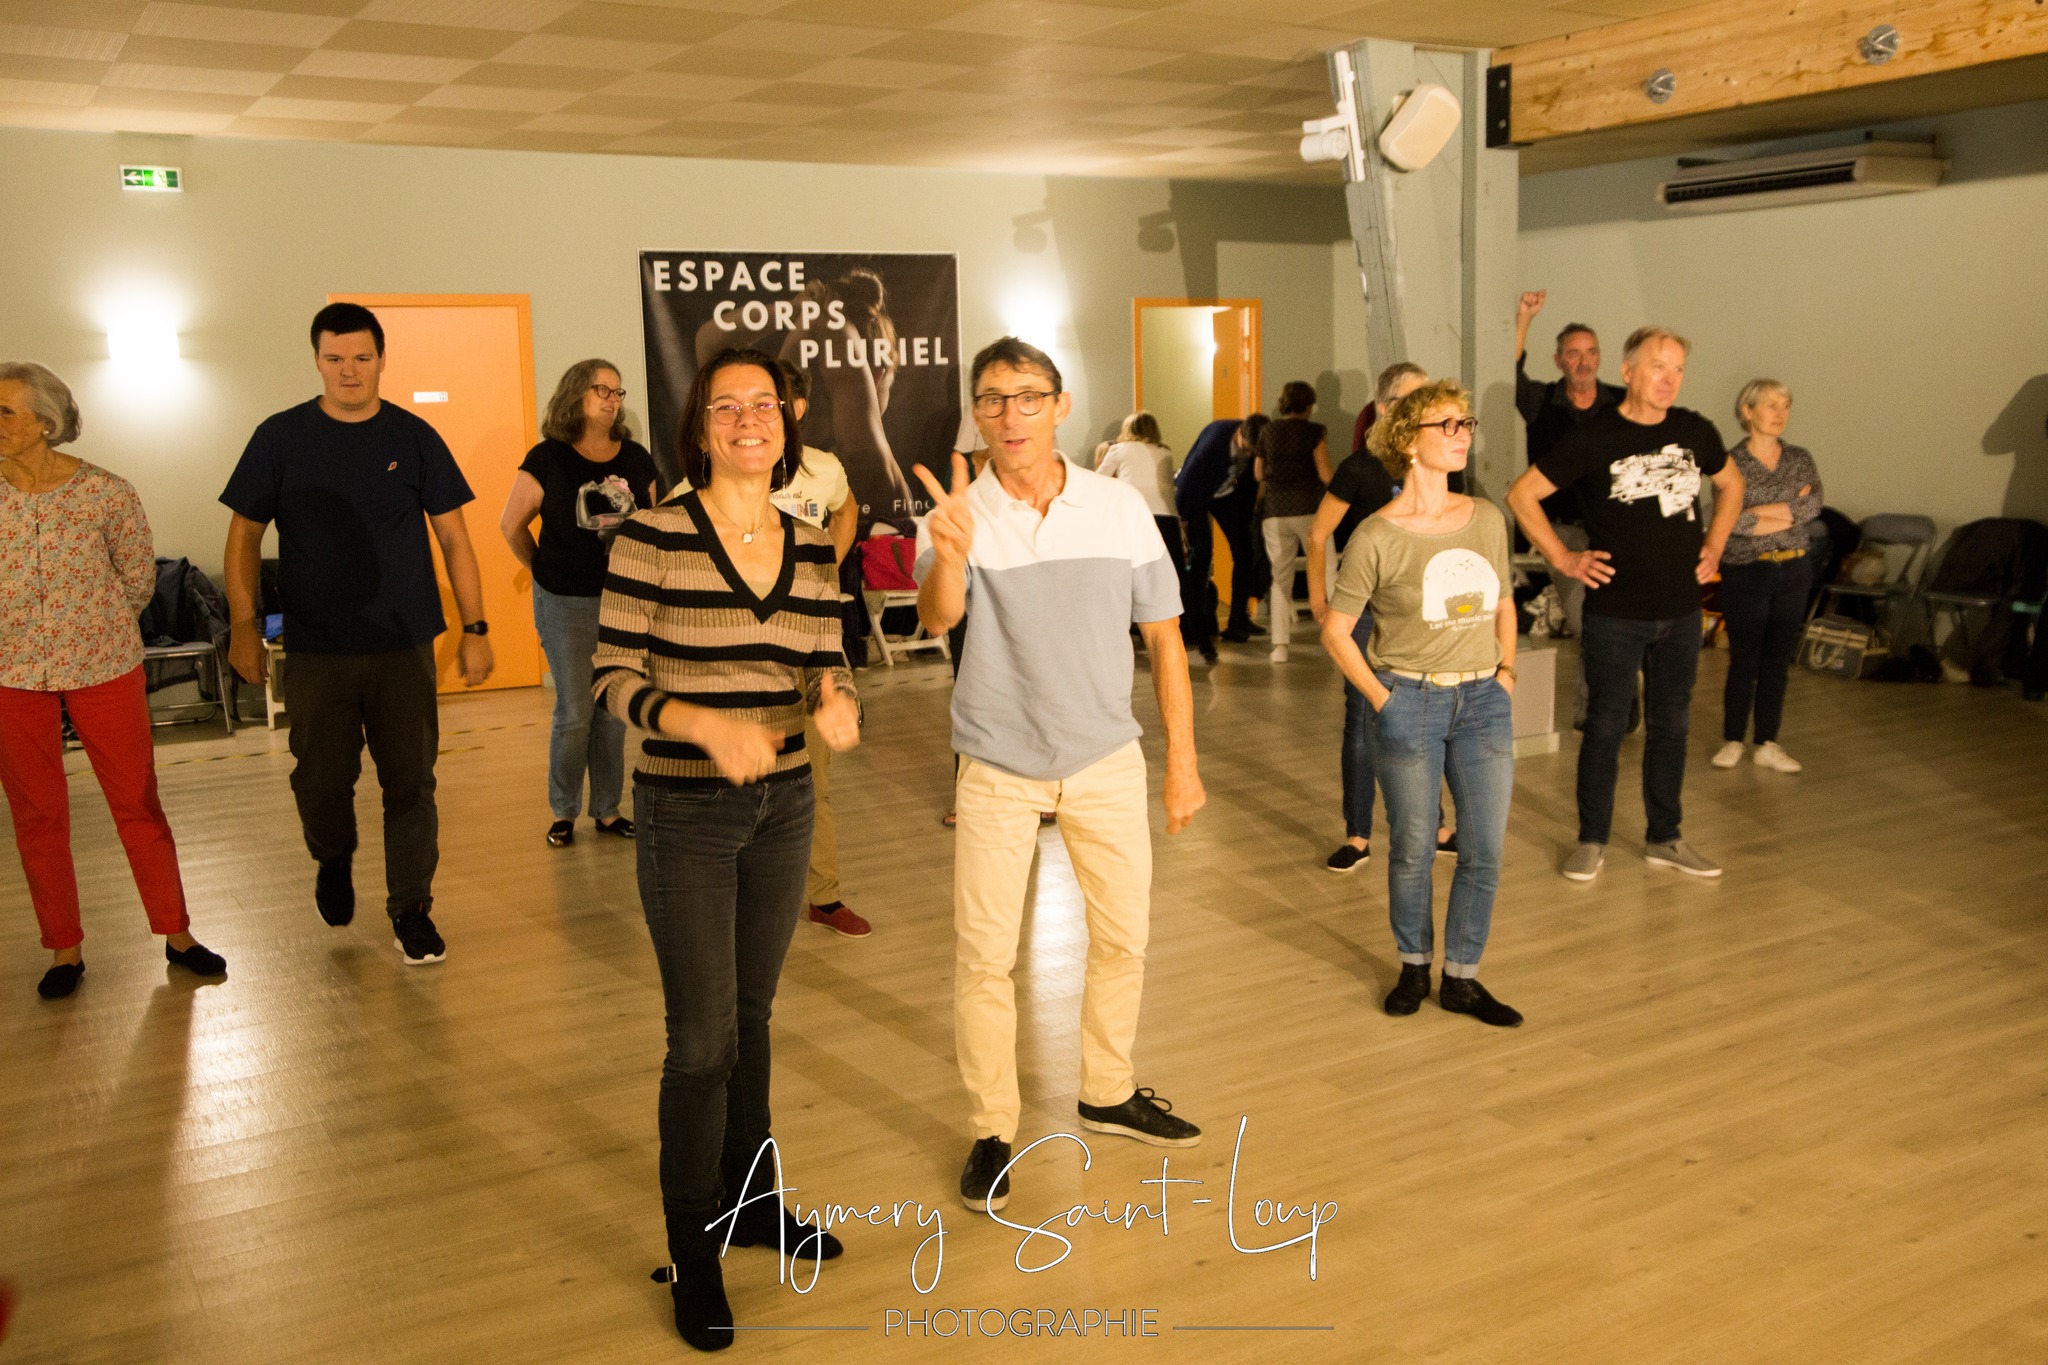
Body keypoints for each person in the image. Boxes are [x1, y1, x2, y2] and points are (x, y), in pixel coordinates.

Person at [592, 348, 861, 1351]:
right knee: (702, 1041)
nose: (749, 420)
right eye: (726, 406)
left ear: (787, 421)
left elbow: (826, 658)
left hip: (783, 805)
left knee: (751, 1016)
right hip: (685, 813)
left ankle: (753, 1203)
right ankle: (693, 1249)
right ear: (699, 427)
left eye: (764, 404)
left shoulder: (812, 544)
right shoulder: (651, 536)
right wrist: (699, 723)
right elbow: (611, 675)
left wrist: (836, 700)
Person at [914, 337, 1206, 1216]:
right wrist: (950, 554)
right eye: (993, 399)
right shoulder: (960, 512)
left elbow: (1165, 637)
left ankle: (1106, 1091)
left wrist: (1182, 762)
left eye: (1028, 397)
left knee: (1123, 938)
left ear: (1061, 404)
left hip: (1105, 758)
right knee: (984, 958)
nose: (1011, 415)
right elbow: (937, 619)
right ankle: (991, 1128)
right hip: (997, 762)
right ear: (976, 413)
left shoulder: (1117, 506)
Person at [221, 303, 495, 966]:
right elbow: (244, 535)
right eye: (336, 358)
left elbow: (455, 539)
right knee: (321, 779)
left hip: (404, 645)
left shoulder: (415, 436)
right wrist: (242, 626)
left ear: (381, 360)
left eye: (362, 358)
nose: (349, 370)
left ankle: (411, 909)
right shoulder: (280, 437)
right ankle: (333, 856)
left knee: (411, 783)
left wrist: (475, 626)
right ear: (317, 360)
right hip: (318, 647)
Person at [0, 362, 226, 1000]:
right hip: (11, 673)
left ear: (45, 423)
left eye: (6, 411)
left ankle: (177, 934)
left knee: (137, 804)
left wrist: (91, 629)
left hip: (103, 666)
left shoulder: (106, 492)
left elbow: (136, 580)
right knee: (37, 815)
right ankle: (64, 949)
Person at [1506, 326, 1743, 883]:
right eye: (1658, 366)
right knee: (1606, 727)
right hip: (1615, 612)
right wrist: (1564, 557)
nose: (1669, 379)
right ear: (1629, 371)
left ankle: (1665, 836)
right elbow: (1522, 495)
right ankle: (1592, 839)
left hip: (1681, 610)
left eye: (1678, 369)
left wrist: (1715, 545)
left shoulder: (1694, 430)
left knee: (1671, 726)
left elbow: (1731, 486)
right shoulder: (1597, 435)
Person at [1320, 380, 1521, 1026]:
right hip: (1411, 699)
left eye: (1466, 423)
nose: (1462, 435)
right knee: (1412, 847)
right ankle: (1414, 965)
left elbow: (1505, 602)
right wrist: (1384, 699)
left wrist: (1507, 672)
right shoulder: (1376, 535)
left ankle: (1462, 978)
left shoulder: (1486, 518)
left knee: (1483, 849)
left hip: (1483, 700)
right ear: (1409, 440)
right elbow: (1336, 630)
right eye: (1447, 425)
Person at [500, 359, 658, 849]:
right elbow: (511, 525)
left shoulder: (636, 458)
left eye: (617, 391)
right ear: (576, 394)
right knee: (575, 711)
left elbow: (655, 524)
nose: (612, 400)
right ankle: (563, 810)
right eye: (601, 390)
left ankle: (607, 810)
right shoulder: (548, 457)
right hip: (564, 603)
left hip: (623, 604)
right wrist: (542, 569)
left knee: (612, 711)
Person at [1308, 363, 1425, 873]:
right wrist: (1319, 599)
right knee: (1362, 719)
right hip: (1363, 611)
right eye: (1411, 400)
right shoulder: (1359, 467)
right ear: (1384, 408)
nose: (1420, 410)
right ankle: (1358, 834)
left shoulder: (1434, 462)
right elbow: (1318, 534)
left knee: (1424, 716)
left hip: (1419, 612)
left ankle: (1434, 825)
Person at [1713, 380, 1821, 775]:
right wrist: (1787, 511)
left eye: (1785, 405)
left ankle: (1767, 742)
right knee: (1745, 658)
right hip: (1747, 568)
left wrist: (1759, 513)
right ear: (1748, 411)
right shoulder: (1731, 462)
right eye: (1771, 405)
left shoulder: (1799, 458)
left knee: (1777, 660)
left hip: (1793, 567)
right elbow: (1731, 521)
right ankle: (1733, 739)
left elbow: (1812, 505)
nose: (1780, 413)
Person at [1514, 292, 1627, 648]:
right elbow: (1510, 370)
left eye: (1591, 352)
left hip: (1614, 526)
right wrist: (1524, 318)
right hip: (1562, 530)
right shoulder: (1541, 401)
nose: (1584, 361)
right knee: (1586, 623)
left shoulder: (1622, 403)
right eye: (1574, 353)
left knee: (1619, 624)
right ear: (1559, 360)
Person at [1098, 412, 1208, 663]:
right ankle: (1187, 634)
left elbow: (1099, 480)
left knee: (1128, 576)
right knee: (1174, 578)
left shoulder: (1119, 450)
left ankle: (1128, 632)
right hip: (1167, 518)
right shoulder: (1165, 452)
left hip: (1135, 516)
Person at [1256, 381, 1333, 663]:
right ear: (1309, 406)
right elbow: (1325, 474)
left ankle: (1280, 646)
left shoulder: (1267, 430)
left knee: (1280, 579)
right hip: (1310, 509)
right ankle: (1337, 637)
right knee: (1328, 571)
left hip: (1275, 512)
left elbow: (1258, 473)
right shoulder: (1314, 431)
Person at [1171, 417, 1242, 661]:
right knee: (1196, 572)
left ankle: (1199, 635)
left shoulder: (1221, 436)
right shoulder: (1217, 439)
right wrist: (1183, 519)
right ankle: (1200, 636)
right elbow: (1190, 478)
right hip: (1191, 508)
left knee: (1195, 572)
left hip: (1191, 507)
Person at [1213, 414, 1271, 641]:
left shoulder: (1254, 442)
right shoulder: (1220, 438)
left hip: (1242, 502)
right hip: (1221, 499)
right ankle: (1236, 620)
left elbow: (1255, 479)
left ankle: (1239, 618)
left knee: (1245, 556)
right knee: (1242, 555)